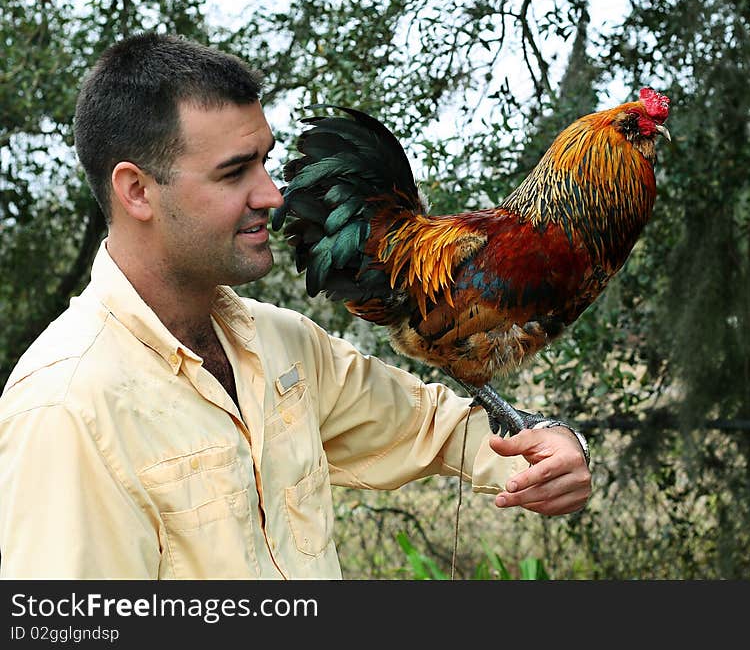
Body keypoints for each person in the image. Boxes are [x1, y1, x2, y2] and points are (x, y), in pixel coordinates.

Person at [0, 33, 591, 579]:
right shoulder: (66, 408)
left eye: (264, 161)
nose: (272, 195)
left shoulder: (283, 345)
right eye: (235, 173)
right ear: (136, 191)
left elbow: (439, 427)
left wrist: (556, 448)